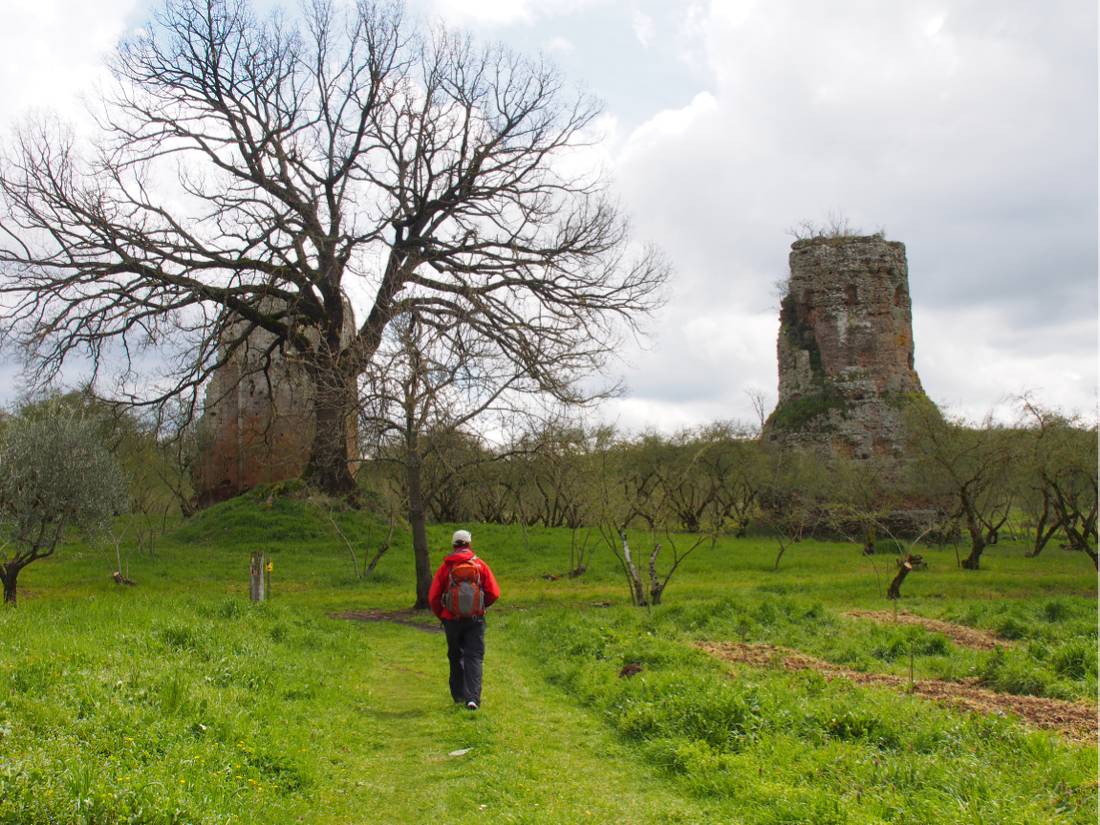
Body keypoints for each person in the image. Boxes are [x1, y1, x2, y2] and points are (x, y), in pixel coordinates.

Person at [428, 529, 501, 711]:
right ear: (469, 544)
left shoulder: (446, 567)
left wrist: (443, 615)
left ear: (454, 545)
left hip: (451, 620)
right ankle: (473, 699)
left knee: (455, 656)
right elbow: (494, 592)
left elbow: (433, 597)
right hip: (475, 620)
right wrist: (481, 606)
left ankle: (459, 696)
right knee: (474, 657)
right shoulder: (480, 565)